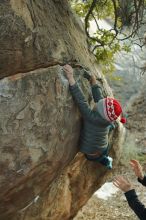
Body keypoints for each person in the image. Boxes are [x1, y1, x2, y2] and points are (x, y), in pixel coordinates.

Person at [63, 64, 126, 169]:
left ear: (101, 110)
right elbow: (99, 97)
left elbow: (81, 100)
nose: (99, 101)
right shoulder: (105, 115)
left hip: (91, 151)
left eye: (101, 103)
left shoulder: (91, 117)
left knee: (100, 157)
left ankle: (106, 161)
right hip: (103, 144)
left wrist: (71, 78)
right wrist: (92, 81)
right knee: (107, 132)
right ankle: (111, 128)